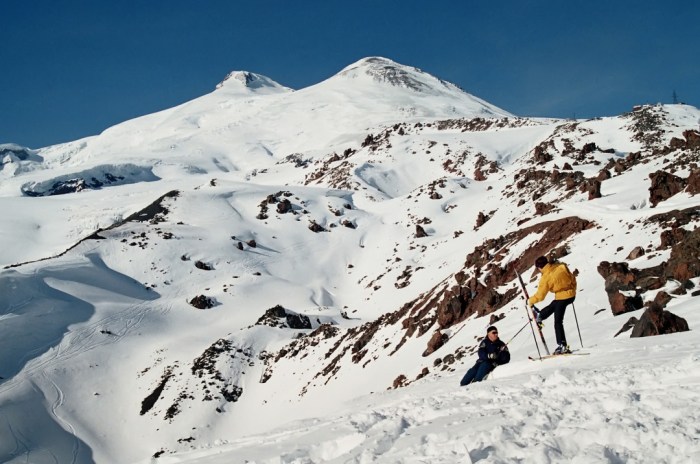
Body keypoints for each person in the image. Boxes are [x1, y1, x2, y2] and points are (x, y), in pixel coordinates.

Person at [528, 256, 577, 355]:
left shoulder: (546, 277)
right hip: (571, 295)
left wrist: (530, 301)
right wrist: (573, 289)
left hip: (562, 297)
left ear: (539, 267)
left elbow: (540, 296)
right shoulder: (561, 266)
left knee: (558, 321)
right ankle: (540, 315)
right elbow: (572, 278)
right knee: (555, 305)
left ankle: (562, 345)